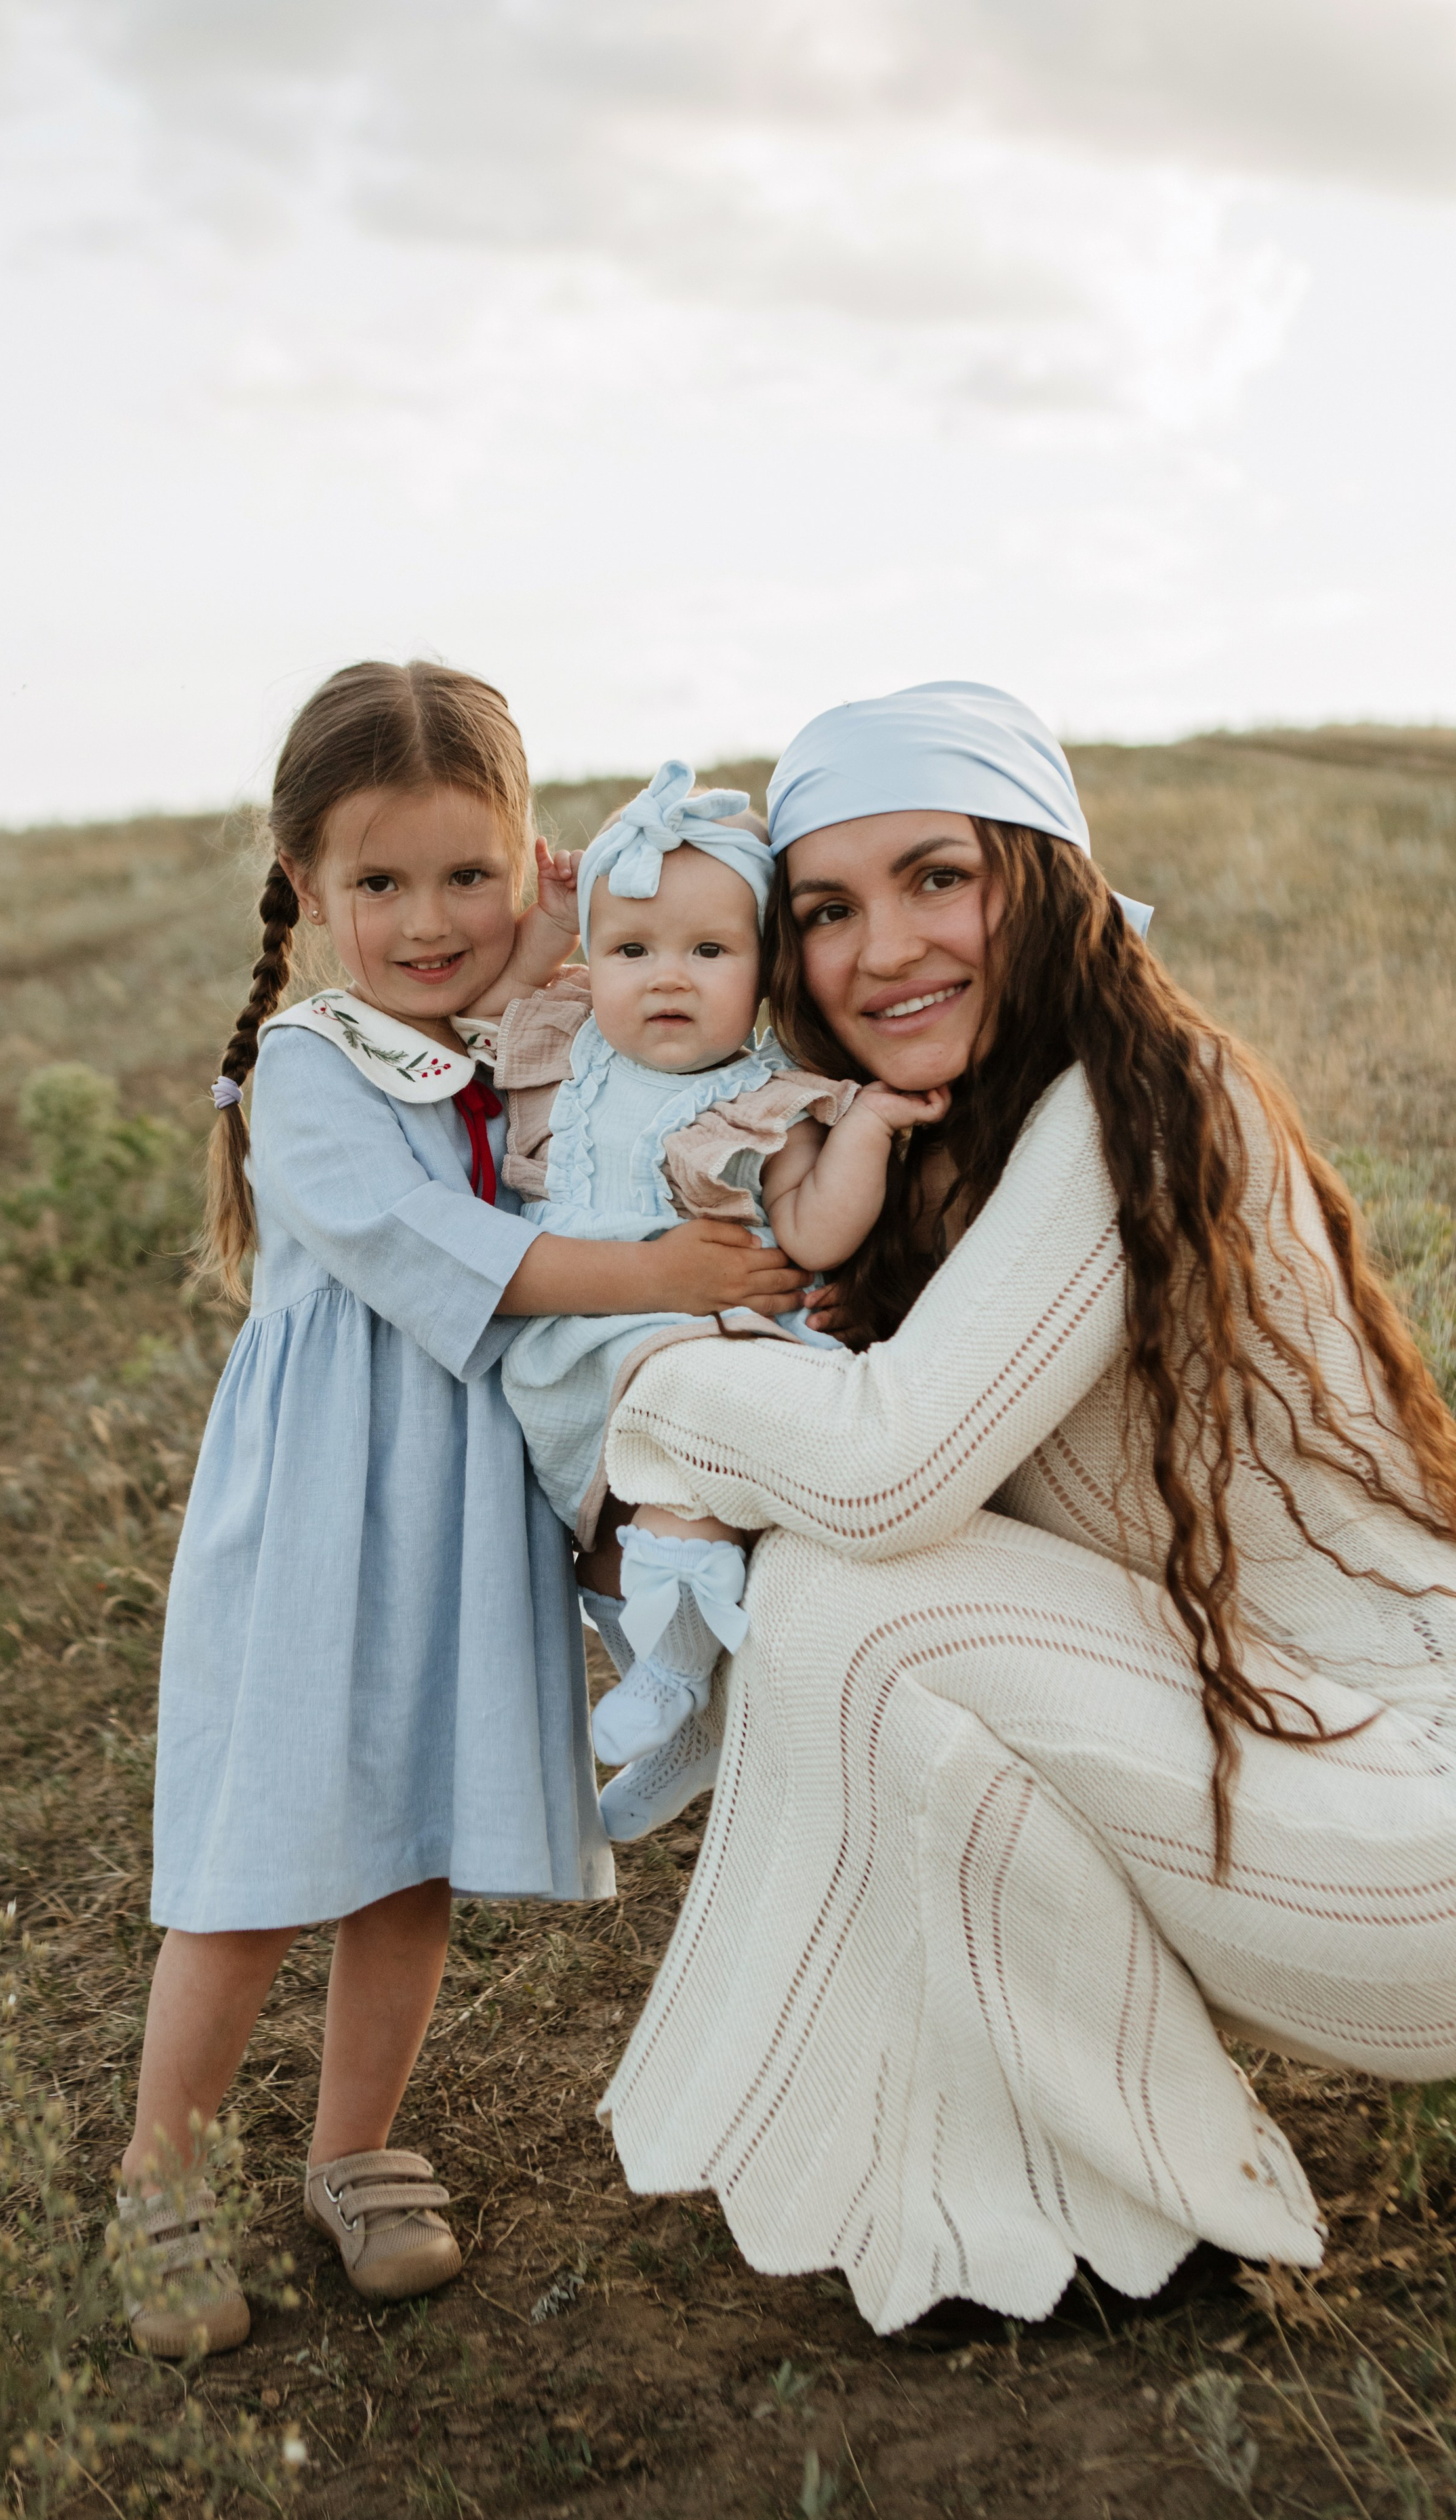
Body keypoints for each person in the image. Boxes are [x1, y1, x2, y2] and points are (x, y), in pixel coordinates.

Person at [597, 679, 1456, 2332]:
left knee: (865, 1594)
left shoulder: (1131, 1104)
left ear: (1044, 879)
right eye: (828, 910)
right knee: (858, 1606)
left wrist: (638, 1393)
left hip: (1419, 1843)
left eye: (939, 877)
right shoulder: (944, 1148)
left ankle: (1097, 2198)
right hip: (1335, 1792)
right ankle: (1113, 2204)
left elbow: (883, 1464)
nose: (883, 950)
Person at [114, 660, 806, 2359]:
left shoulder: (524, 1026)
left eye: (470, 874)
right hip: (321, 1513)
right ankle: (158, 2173)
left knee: (412, 1841)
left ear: (528, 859)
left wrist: (580, 926)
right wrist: (656, 1266)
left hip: (460, 1505)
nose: (429, 920)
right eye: (379, 883)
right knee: (261, 1853)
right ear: (305, 889)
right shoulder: (310, 1065)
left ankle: (354, 2147)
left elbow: (670, 1006)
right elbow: (451, 1259)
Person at [476, 760, 942, 1843]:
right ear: (595, 964)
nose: (668, 978)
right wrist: (550, 922)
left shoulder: (767, 1094)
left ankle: (681, 1685)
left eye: (709, 951)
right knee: (603, 1546)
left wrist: (863, 1131)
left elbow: (818, 1229)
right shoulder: (571, 1045)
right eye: (634, 951)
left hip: (702, 1350)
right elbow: (486, 1000)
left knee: (678, 1482)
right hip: (575, 1346)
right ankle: (690, 1714)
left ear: (765, 971)